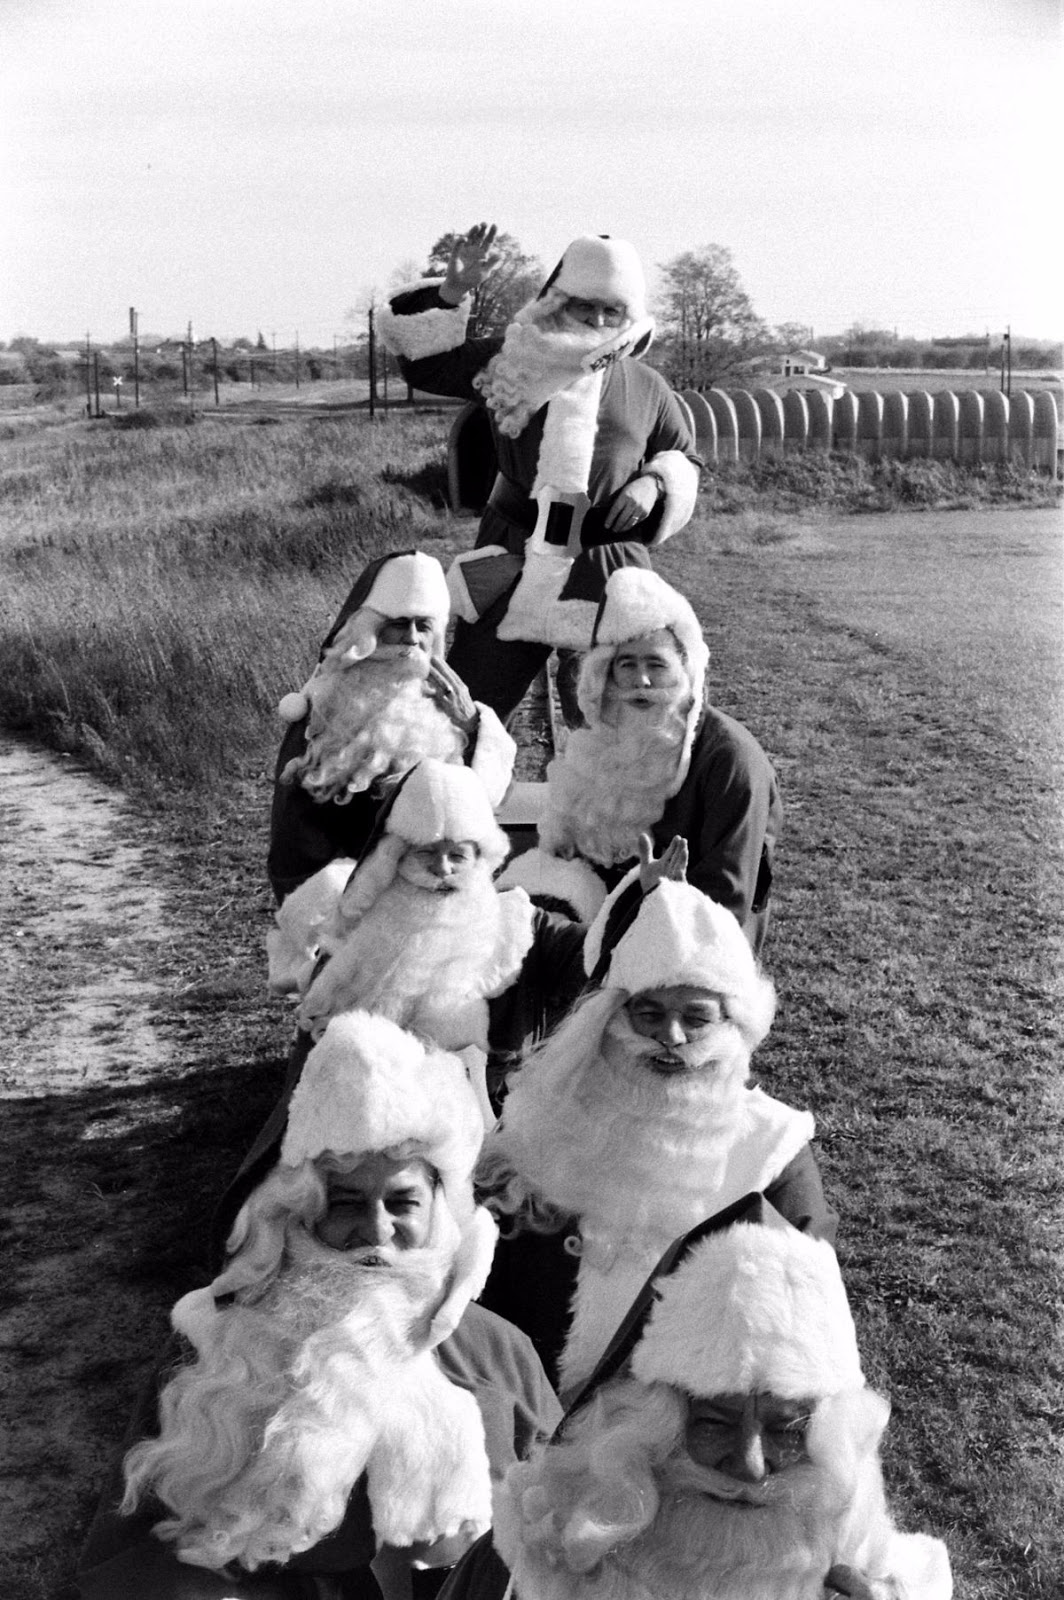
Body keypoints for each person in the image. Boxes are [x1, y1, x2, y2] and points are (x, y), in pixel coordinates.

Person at [76, 1011, 562, 1600]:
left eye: (402, 1202)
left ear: (440, 1205)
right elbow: (142, 1554)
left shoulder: (494, 1349)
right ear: (297, 1207)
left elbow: (566, 1528)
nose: (376, 1231)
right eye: (346, 1201)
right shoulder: (217, 1344)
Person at [442, 1197, 953, 1600]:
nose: (750, 1468)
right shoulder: (525, 1566)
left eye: (788, 1431)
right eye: (714, 1422)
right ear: (642, 1434)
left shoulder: (883, 1583)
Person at [476, 869, 834, 1395]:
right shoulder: (544, 1112)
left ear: (734, 1026)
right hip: (518, 1396)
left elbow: (799, 1324)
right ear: (608, 1019)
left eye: (696, 1018)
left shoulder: (771, 1152)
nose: (671, 1038)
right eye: (649, 1014)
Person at [378, 227, 702, 720]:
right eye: (583, 306)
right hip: (512, 549)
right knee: (466, 709)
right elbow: (426, 365)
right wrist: (450, 293)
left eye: (610, 310)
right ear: (556, 302)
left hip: (607, 564)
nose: (597, 320)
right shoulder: (508, 362)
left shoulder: (647, 385)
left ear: (628, 315)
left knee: (612, 719)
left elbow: (685, 456)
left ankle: (598, 798)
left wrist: (654, 482)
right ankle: (461, 795)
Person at [268, 758, 589, 1114]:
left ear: (481, 859)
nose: (442, 869)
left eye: (458, 856)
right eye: (426, 852)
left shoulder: (521, 927)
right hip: (387, 1107)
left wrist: (650, 897)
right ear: (395, 856)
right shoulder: (355, 941)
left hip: (500, 1110)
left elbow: (607, 955)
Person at [498, 564, 782, 949]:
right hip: (609, 917)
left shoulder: (730, 759)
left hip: (695, 939)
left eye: (657, 665)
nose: (641, 681)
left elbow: (727, 902)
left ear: (684, 670)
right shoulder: (609, 732)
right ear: (605, 675)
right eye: (626, 665)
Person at [268, 548, 516, 903]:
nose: (412, 638)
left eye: (424, 625)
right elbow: (295, 853)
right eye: (398, 623)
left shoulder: (449, 708)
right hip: (355, 913)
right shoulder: (323, 716)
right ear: (364, 631)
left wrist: (475, 728)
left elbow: (492, 805)